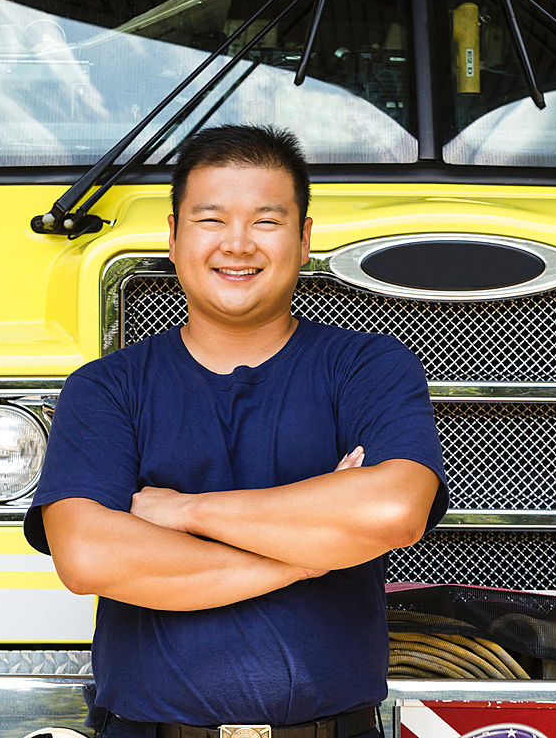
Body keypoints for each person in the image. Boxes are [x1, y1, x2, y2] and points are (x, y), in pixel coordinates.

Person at [24, 124, 448, 738]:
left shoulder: (371, 367)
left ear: (304, 240)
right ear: (173, 238)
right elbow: (88, 555)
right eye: (211, 220)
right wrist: (313, 555)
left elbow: (393, 512)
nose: (238, 245)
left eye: (267, 222)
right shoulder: (106, 388)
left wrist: (181, 511)